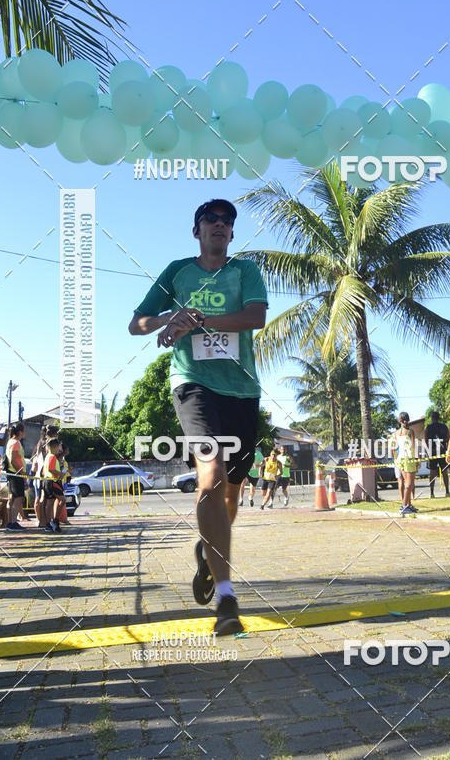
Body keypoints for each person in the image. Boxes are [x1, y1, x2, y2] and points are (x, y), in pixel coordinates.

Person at [129, 198, 267, 635]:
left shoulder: (244, 271)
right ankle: (227, 599)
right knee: (209, 477)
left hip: (241, 389)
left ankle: (209, 557)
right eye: (212, 220)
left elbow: (255, 317)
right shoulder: (177, 272)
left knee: (230, 495)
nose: (220, 226)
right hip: (193, 384)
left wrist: (198, 320)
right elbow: (138, 323)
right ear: (197, 231)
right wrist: (172, 316)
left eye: (228, 221)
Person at [4, 423, 27, 531]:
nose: (25, 433)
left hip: (13, 473)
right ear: (20, 432)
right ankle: (13, 522)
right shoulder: (15, 442)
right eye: (24, 431)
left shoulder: (10, 441)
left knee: (13, 498)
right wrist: (21, 471)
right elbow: (13, 459)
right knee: (18, 498)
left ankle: (10, 522)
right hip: (16, 474)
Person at [394, 413, 418, 516]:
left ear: (400, 421)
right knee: (409, 483)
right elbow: (413, 447)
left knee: (406, 482)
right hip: (409, 458)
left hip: (400, 459)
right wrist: (417, 459)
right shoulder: (410, 431)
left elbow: (395, 448)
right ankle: (404, 506)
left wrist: (396, 459)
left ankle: (408, 505)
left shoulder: (396, 433)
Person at [424, 411, 450, 498]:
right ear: (438, 418)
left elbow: (425, 440)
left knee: (432, 472)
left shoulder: (428, 428)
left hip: (432, 452)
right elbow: (448, 438)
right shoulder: (444, 427)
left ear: (432, 418)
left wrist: (426, 451)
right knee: (445, 472)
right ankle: (447, 492)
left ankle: (431, 493)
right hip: (442, 451)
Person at [42, 437, 64, 533]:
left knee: (50, 503)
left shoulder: (47, 456)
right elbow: (51, 469)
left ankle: (50, 523)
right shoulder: (52, 456)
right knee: (61, 500)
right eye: (58, 447)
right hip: (52, 482)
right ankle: (54, 520)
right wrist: (60, 474)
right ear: (54, 447)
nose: (58, 449)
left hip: (48, 481)